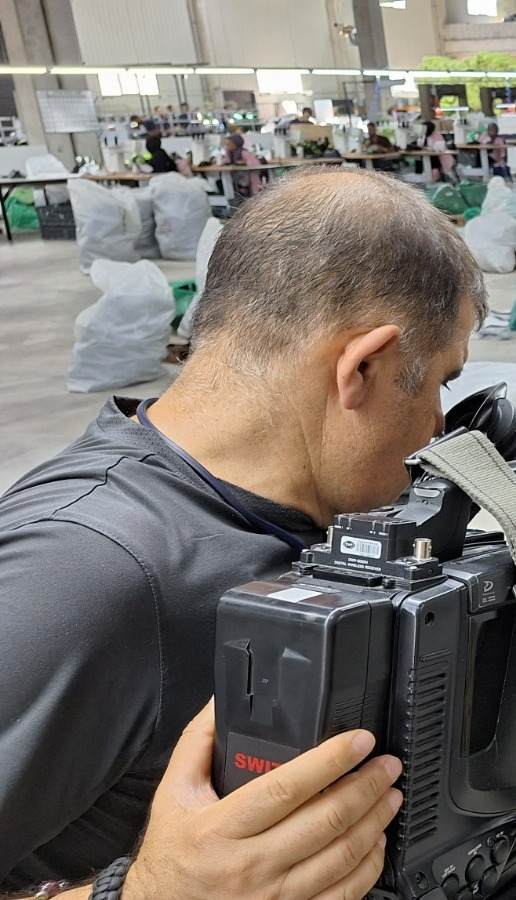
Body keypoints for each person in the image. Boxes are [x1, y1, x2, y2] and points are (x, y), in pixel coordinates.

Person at [0, 169, 489, 897]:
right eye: (442, 383)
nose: (437, 427)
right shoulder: (83, 572)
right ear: (363, 367)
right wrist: (147, 893)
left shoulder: (294, 517)